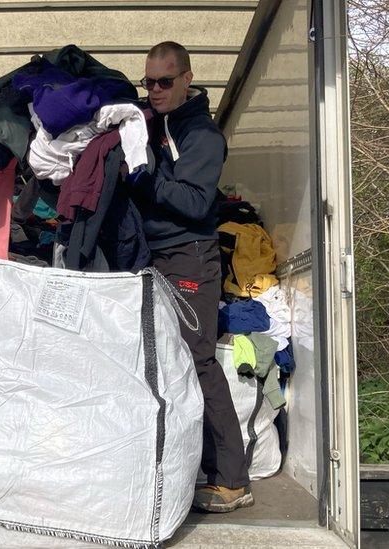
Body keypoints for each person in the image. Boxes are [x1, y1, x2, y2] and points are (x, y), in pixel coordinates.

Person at [131, 41, 253, 512]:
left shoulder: (201, 133)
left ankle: (232, 480)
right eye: (149, 82)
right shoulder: (150, 123)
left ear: (186, 78)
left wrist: (148, 180)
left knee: (198, 362)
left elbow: (197, 203)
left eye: (164, 81)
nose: (155, 90)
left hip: (189, 258)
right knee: (166, 364)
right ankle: (188, 466)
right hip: (157, 257)